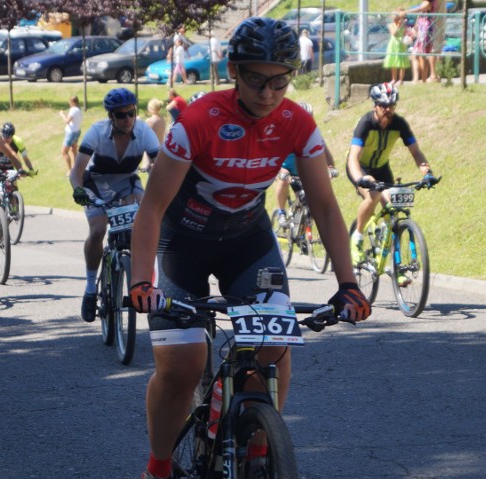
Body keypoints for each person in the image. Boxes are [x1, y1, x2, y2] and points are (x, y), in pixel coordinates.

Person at [126, 17, 371, 479]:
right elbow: (152, 209)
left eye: (280, 82)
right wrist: (142, 280)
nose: (268, 93)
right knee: (182, 366)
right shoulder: (196, 121)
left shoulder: (297, 122)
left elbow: (325, 206)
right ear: (234, 71)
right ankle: (158, 467)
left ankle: (260, 445)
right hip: (183, 243)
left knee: (273, 347)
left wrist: (348, 284)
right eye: (256, 80)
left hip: (247, 242)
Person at [69, 88, 159, 323]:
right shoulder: (97, 132)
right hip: (97, 183)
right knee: (98, 230)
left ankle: (139, 278)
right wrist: (79, 191)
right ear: (111, 117)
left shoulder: (143, 131)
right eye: (121, 115)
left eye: (131, 113)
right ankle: (90, 290)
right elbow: (76, 172)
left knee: (142, 222)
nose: (127, 119)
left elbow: (160, 169)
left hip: (127, 184)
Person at [346, 83, 437, 267]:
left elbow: (416, 153)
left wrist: (427, 173)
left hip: (382, 169)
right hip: (360, 167)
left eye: (392, 105)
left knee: (394, 208)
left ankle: (396, 266)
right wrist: (360, 179)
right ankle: (357, 237)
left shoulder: (399, 124)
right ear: (375, 105)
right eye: (383, 106)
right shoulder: (366, 123)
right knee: (373, 195)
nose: (388, 110)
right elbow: (353, 158)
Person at [273, 101, 338, 227]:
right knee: (283, 180)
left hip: (303, 172)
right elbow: (271, 155)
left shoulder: (313, 133)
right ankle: (281, 212)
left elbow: (325, 151)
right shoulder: (283, 133)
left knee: (306, 201)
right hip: (285, 170)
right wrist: (280, 170)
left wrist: (331, 168)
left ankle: (303, 235)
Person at [383, 10, 411, 86]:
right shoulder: (391, 25)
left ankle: (401, 80)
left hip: (401, 44)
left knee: (402, 62)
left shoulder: (404, 25)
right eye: (395, 18)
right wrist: (398, 25)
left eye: (397, 18)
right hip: (393, 44)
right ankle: (394, 79)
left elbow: (407, 33)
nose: (396, 20)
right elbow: (394, 34)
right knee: (393, 62)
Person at [59, 96, 83, 175]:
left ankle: (70, 170)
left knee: (64, 152)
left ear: (72, 102)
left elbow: (67, 121)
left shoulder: (73, 110)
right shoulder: (79, 110)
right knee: (74, 150)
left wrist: (62, 114)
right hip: (77, 131)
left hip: (71, 133)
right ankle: (76, 169)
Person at [142, 98, 166, 173]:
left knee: (150, 174)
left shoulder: (149, 121)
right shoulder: (163, 119)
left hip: (151, 150)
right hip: (160, 149)